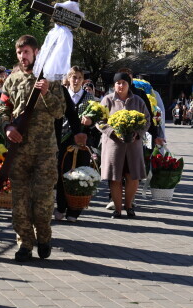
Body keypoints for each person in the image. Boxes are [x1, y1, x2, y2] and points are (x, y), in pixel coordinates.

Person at [0, 35, 66, 262]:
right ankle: (24, 243)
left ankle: (44, 237)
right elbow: (2, 111)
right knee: (20, 202)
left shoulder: (51, 80)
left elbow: (60, 112)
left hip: (45, 150)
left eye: (26, 52)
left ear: (36, 52)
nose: (22, 57)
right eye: (19, 53)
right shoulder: (12, 80)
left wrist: (45, 94)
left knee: (43, 201)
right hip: (19, 150)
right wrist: (7, 127)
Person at [97, 72, 150, 219]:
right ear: (114, 85)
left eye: (124, 83)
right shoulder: (107, 100)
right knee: (115, 178)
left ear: (129, 84)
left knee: (132, 176)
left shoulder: (138, 101)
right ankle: (117, 209)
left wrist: (137, 133)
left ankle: (129, 206)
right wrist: (113, 132)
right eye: (118, 83)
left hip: (133, 145)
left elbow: (147, 120)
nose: (120, 86)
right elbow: (99, 121)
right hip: (114, 145)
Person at [54, 66, 94, 223]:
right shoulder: (61, 95)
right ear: (68, 79)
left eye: (78, 77)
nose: (76, 80)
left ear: (83, 80)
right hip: (63, 139)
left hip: (81, 141)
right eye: (73, 77)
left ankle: (74, 210)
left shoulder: (89, 98)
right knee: (63, 173)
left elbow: (97, 119)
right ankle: (61, 206)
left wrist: (90, 122)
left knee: (80, 174)